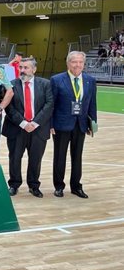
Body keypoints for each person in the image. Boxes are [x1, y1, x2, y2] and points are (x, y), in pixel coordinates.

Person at [2, 57, 54, 197]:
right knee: (15, 158)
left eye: (26, 67)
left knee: (36, 158)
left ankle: (34, 185)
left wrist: (35, 123)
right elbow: (9, 108)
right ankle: (14, 184)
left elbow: (49, 105)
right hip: (17, 128)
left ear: (34, 69)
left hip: (38, 128)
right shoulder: (10, 85)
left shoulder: (45, 84)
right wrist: (24, 123)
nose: (23, 71)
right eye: (21, 67)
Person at [50, 51, 97, 199]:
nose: (77, 65)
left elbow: (92, 104)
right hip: (61, 125)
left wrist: (92, 123)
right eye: (74, 62)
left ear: (84, 64)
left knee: (77, 157)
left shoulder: (90, 80)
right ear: (68, 63)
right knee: (60, 157)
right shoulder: (56, 80)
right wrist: (50, 124)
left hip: (81, 124)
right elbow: (51, 104)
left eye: (80, 62)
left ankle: (76, 186)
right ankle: (59, 186)